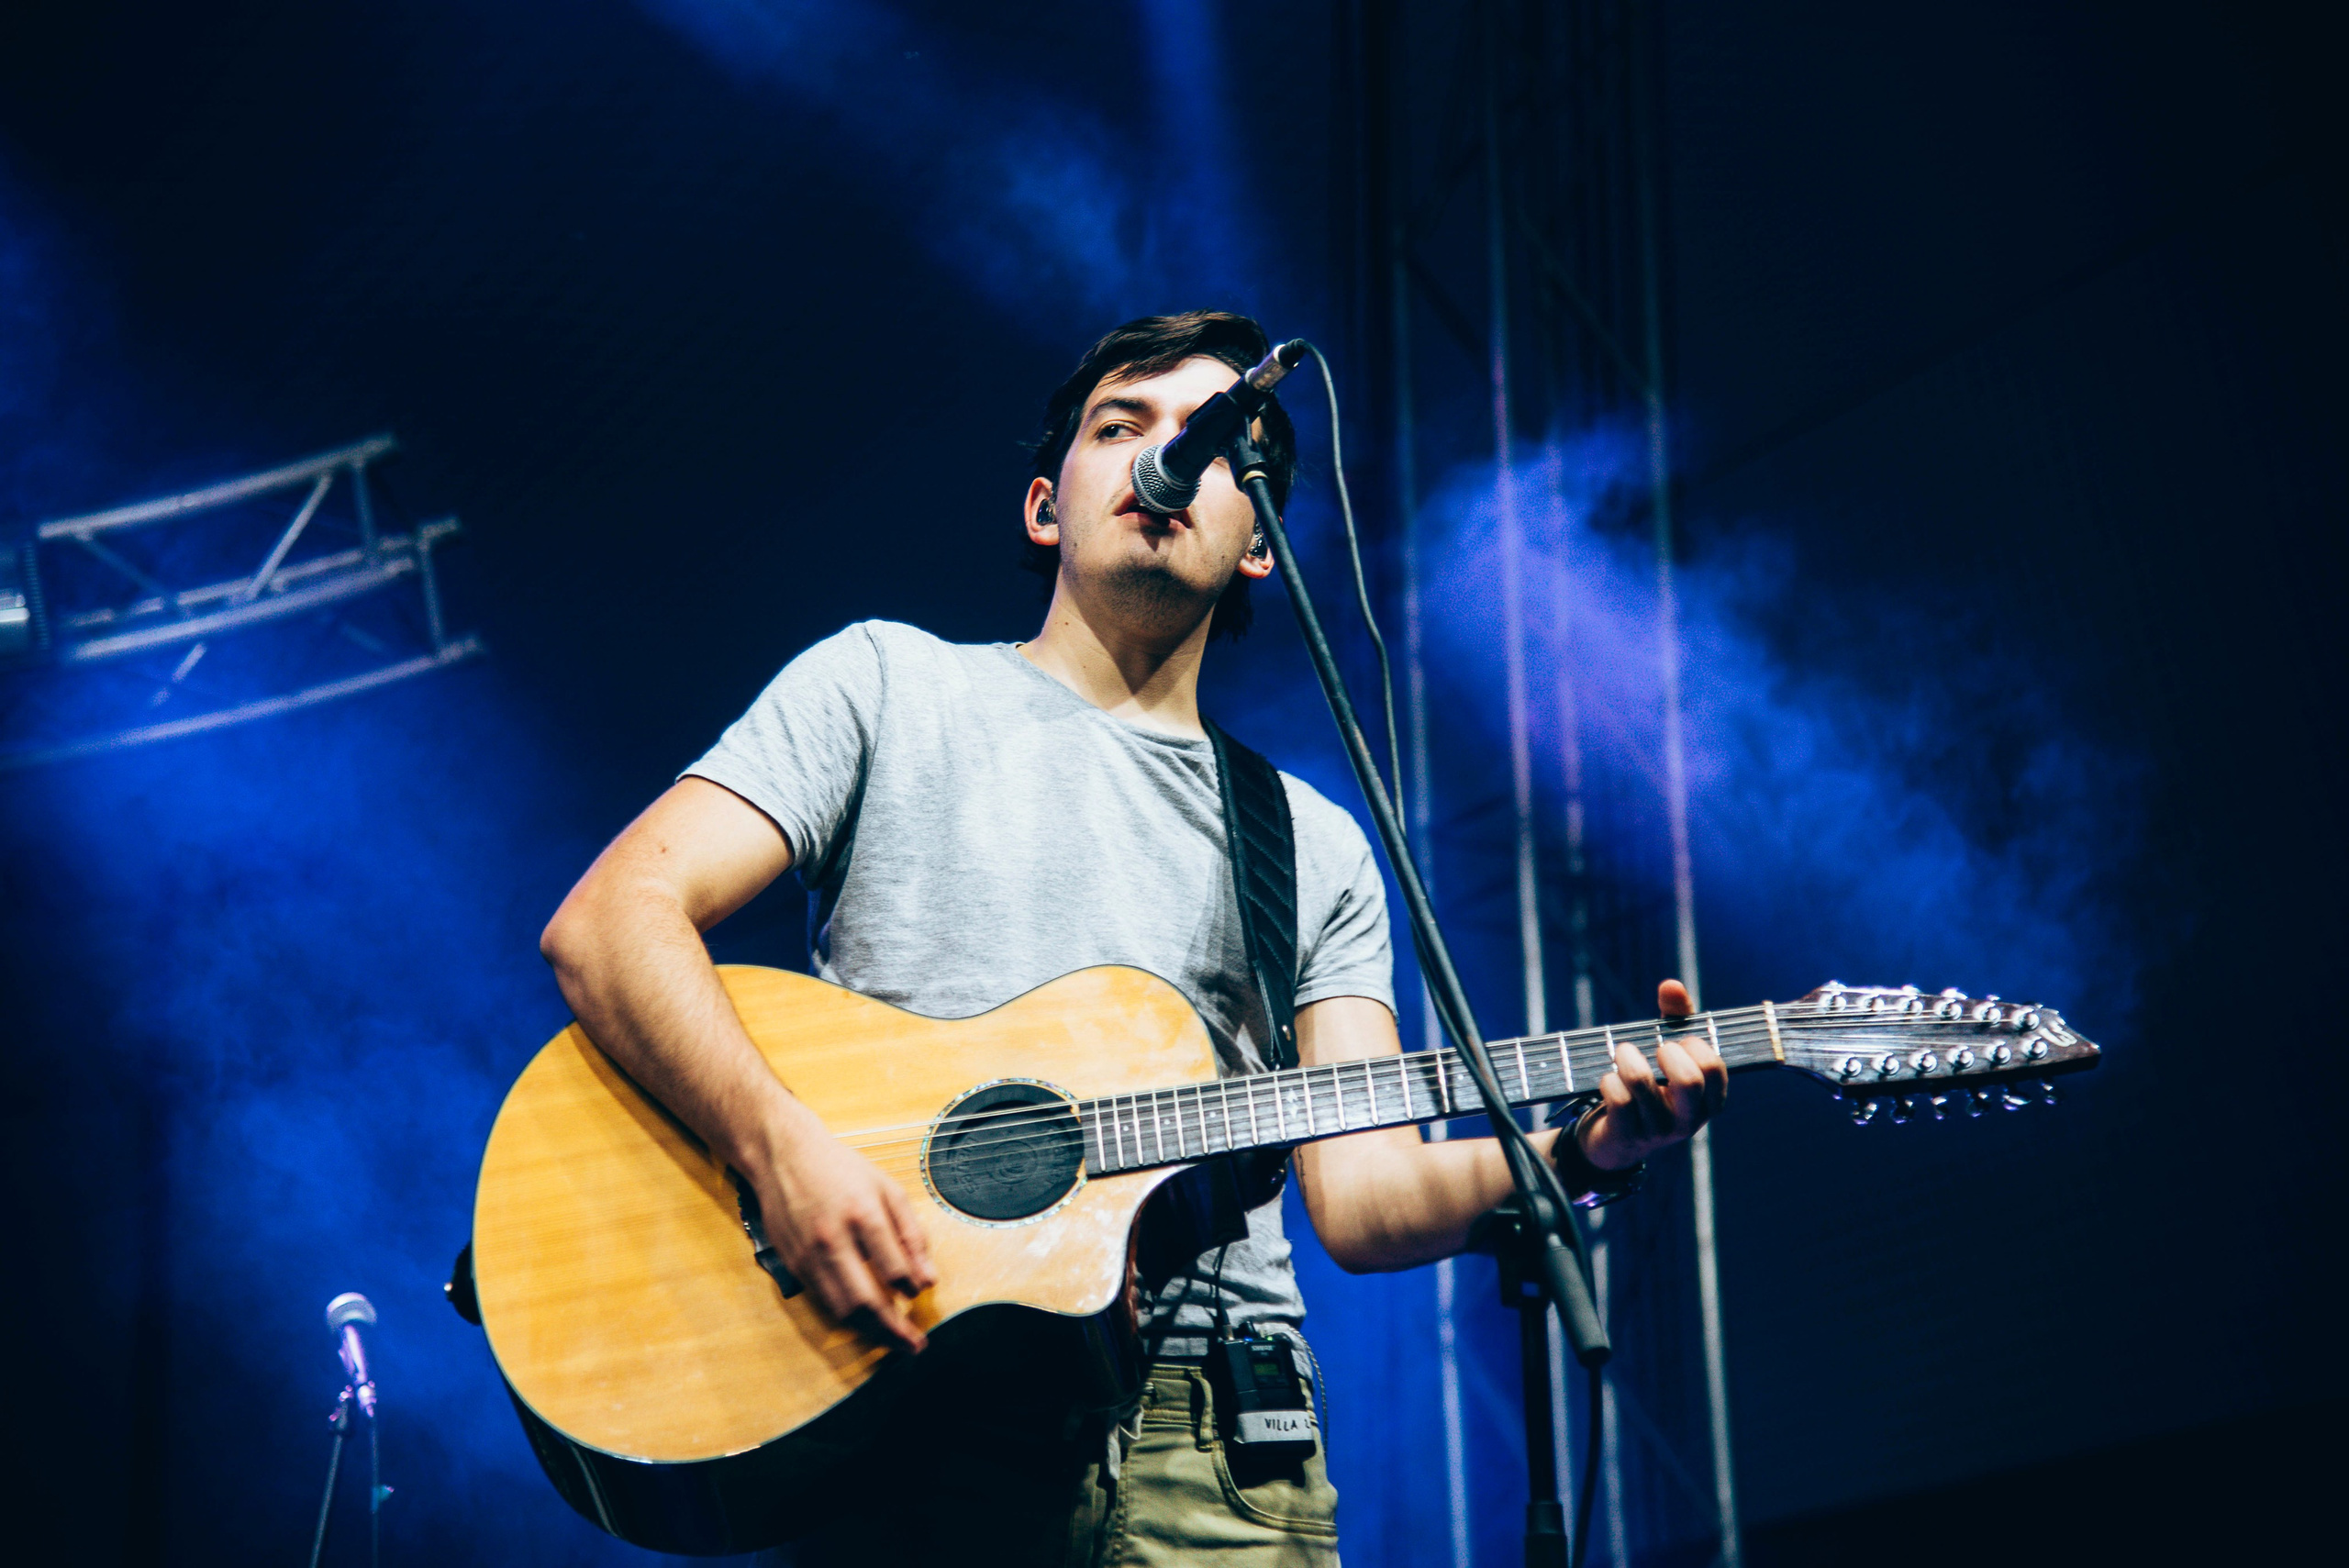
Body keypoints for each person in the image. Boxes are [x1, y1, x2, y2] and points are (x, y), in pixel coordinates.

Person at [538, 310, 1726, 1565]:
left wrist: (1584, 1148)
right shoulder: (883, 686)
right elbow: (610, 921)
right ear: (1049, 505)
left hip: (1216, 1452)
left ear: (1260, 539)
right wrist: (779, 1149)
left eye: (1214, 444)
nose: (1167, 456)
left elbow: (1368, 1199)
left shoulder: (1308, 840)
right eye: (1124, 427)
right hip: (904, 1404)